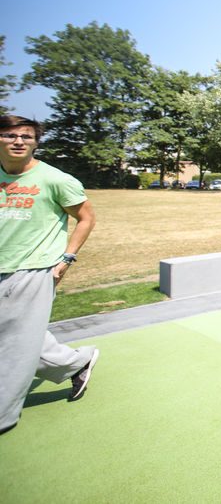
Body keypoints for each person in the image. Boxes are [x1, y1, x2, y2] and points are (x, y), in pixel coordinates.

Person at [0, 115, 99, 434]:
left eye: (26, 137)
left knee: (14, 345)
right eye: (10, 135)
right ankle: (77, 362)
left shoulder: (56, 179)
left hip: (34, 267)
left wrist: (67, 258)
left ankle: (4, 415)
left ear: (35, 143)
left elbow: (86, 218)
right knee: (21, 334)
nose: (18, 141)